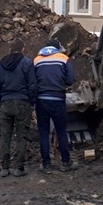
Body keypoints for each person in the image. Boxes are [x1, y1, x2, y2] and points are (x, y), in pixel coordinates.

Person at [0, 38, 37, 177]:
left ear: (9, 49)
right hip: (22, 103)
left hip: (5, 103)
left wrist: (1, 101)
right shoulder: (27, 63)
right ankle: (19, 168)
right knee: (21, 136)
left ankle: (4, 168)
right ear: (22, 48)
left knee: (5, 136)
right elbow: (32, 85)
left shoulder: (0, 65)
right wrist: (31, 102)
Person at [33, 45, 77, 173]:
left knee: (43, 132)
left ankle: (46, 164)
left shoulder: (36, 60)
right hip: (58, 100)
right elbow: (70, 80)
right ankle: (65, 162)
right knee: (61, 131)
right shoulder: (63, 58)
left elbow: (32, 80)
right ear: (57, 48)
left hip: (41, 101)